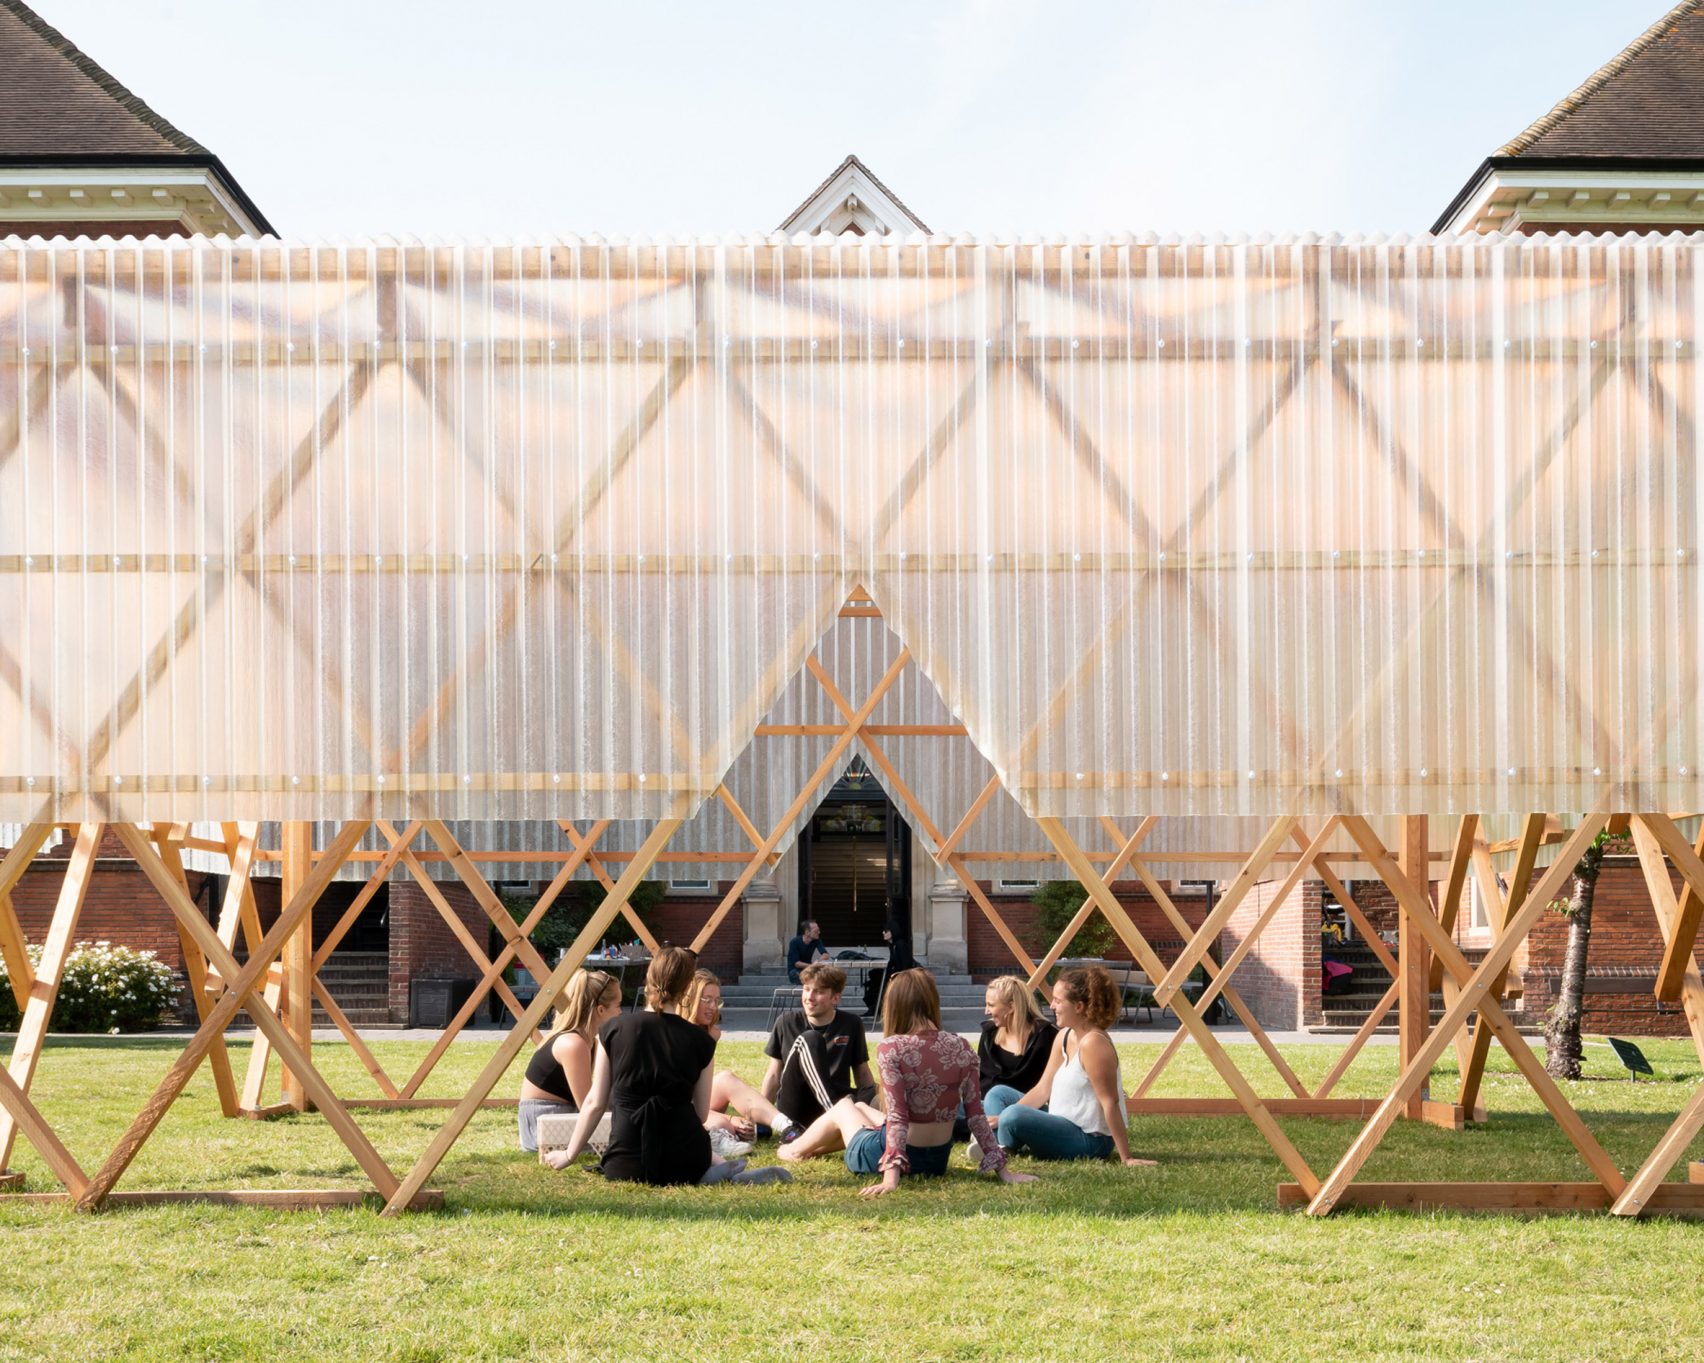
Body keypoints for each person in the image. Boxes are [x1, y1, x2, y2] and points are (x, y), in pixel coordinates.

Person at [547, 946, 790, 1186]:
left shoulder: (613, 1030)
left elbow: (595, 1103)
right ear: (686, 989)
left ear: (648, 979)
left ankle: (719, 1172)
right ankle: (719, 1173)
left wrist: (568, 1155)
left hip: (625, 1161)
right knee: (693, 1166)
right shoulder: (702, 1040)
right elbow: (701, 1113)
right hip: (687, 1161)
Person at [827, 968, 1036, 1196]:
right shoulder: (960, 1046)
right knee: (860, 1107)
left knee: (843, 1107)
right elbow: (976, 1115)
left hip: (892, 1156)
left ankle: (792, 1150)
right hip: (936, 1161)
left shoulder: (891, 1048)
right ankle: (796, 1149)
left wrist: (890, 1178)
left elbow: (898, 1116)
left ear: (895, 1005)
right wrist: (1004, 1172)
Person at [983, 965, 1156, 1166]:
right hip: (1059, 1120)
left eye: (1057, 1000)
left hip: (1089, 1139)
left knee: (1013, 1115)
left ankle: (996, 1143)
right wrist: (1003, 1117)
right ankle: (999, 1142)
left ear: (1079, 1006)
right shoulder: (1064, 1035)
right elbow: (1042, 1089)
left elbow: (1110, 1102)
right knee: (998, 1094)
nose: (1051, 1006)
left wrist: (1127, 1157)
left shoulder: (1094, 1044)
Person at [761, 962, 876, 1160]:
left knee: (880, 1093)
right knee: (810, 1039)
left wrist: (875, 1102)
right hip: (798, 1108)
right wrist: (761, 1122)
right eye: (806, 990)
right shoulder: (787, 1021)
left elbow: (863, 1074)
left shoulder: (851, 1024)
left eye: (819, 992)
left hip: (837, 1102)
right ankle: (837, 1113)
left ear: (835, 998)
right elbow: (773, 1075)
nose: (809, 997)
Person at [679, 968, 787, 1156]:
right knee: (723, 1125)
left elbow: (701, 1089)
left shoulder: (712, 1034)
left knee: (725, 1078)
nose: (713, 1006)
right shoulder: (674, 1031)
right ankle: (722, 1135)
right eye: (707, 999)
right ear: (691, 999)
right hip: (676, 1105)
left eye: (716, 1000)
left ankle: (787, 1126)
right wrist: (728, 1118)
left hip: (699, 1102)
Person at [517, 968, 621, 1153]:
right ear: (601, 1010)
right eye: (618, 1006)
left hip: (559, 1115)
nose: (621, 1013)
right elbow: (588, 1106)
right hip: (546, 1123)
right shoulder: (573, 1044)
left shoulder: (587, 1040)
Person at [952, 974, 1059, 1141]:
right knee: (946, 1107)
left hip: (1022, 1106)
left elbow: (1044, 1088)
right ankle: (986, 1131)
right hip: (983, 1103)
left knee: (995, 1096)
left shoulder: (1045, 1036)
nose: (986, 1011)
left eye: (991, 1005)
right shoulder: (990, 1033)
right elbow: (980, 1078)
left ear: (1011, 1007)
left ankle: (988, 1138)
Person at [861, 915, 918, 1017]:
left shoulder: (900, 944)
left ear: (893, 931)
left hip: (902, 976)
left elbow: (906, 965)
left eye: (886, 931)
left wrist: (894, 975)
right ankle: (874, 1008)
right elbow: (892, 962)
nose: (883, 933)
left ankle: (875, 1009)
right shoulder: (893, 944)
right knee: (873, 977)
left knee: (877, 985)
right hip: (895, 974)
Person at [785, 920, 828, 984]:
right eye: (816, 931)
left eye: (818, 930)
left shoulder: (816, 940)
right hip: (795, 971)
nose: (819, 932)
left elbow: (825, 954)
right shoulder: (794, 942)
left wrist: (818, 961)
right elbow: (797, 963)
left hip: (808, 969)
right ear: (807, 932)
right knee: (795, 974)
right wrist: (813, 965)